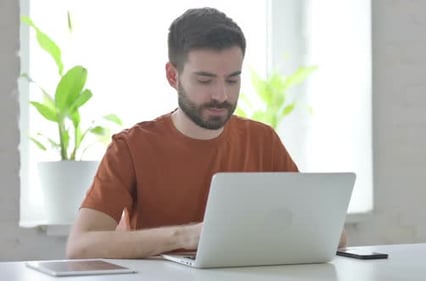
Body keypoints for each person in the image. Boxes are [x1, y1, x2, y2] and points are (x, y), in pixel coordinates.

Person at [66, 7, 347, 259]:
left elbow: (334, 237)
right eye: (205, 80)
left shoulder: (263, 141)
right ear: (173, 76)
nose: (221, 95)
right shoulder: (130, 147)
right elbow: (80, 247)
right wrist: (186, 237)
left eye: (232, 80)